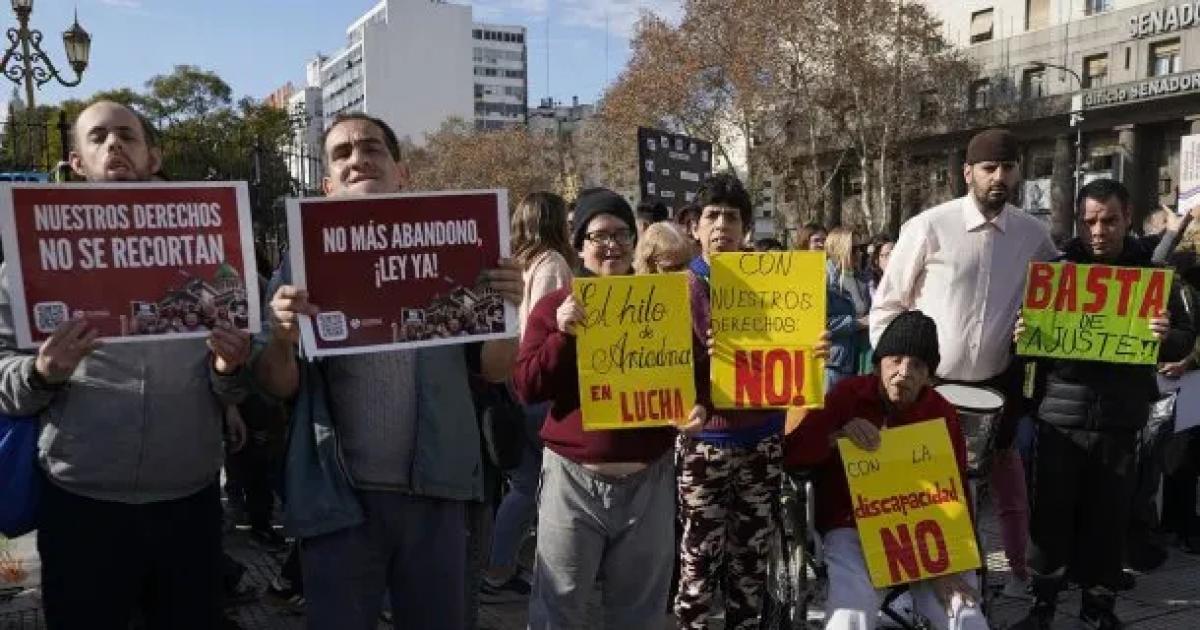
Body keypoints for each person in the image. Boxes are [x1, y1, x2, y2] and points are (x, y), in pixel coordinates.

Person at [244, 112, 524, 630]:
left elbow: (495, 369)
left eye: (371, 148)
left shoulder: (463, 254)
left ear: (402, 172)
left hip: (438, 491)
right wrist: (282, 338)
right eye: (342, 153)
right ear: (326, 185)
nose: (358, 159)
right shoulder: (295, 272)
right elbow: (274, 383)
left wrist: (509, 312)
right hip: (338, 498)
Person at [0, 100, 253, 629]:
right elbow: (5, 379)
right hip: (79, 499)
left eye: (126, 135)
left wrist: (230, 371)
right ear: (75, 161)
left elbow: (240, 388)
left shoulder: (213, 251)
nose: (113, 144)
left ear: (152, 154)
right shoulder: (29, 260)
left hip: (190, 497)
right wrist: (42, 372)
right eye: (98, 137)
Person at [870, 128, 1058, 598]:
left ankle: (1017, 574)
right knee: (925, 491)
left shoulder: (1034, 235)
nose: (999, 177)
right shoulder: (928, 226)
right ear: (967, 173)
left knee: (1010, 488)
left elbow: (1062, 294)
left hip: (999, 388)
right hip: (930, 388)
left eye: (1008, 168)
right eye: (989, 168)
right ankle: (922, 585)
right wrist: (897, 376)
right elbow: (887, 306)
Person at [513, 188, 701, 628]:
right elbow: (526, 387)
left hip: (649, 479)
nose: (611, 244)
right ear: (580, 247)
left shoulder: (664, 304)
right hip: (573, 479)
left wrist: (698, 405)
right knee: (557, 609)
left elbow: (693, 377)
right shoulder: (553, 307)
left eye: (621, 234)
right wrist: (562, 336)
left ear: (635, 245)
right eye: (598, 236)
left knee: (640, 612)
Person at [1014, 179, 1195, 630]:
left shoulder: (1153, 278)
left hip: (1120, 421)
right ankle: (1043, 606)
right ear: (1078, 222)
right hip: (1060, 418)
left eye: (1109, 220)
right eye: (1090, 221)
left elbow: (1184, 343)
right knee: (1051, 520)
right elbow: (1031, 349)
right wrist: (1023, 336)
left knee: (1108, 520)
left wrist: (1164, 337)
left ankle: (1099, 606)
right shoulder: (1057, 271)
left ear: (1127, 217)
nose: (1099, 230)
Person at [677, 173, 829, 629]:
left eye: (732, 216)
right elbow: (662, 373)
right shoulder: (679, 289)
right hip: (705, 444)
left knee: (751, 565)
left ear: (745, 227)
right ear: (695, 227)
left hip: (762, 440)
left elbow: (794, 351)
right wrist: (699, 366)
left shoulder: (776, 283)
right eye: (712, 215)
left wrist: (811, 352)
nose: (722, 224)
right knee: (698, 566)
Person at [786, 310, 988, 630]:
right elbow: (795, 454)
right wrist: (837, 437)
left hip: (926, 531)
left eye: (917, 366)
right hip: (852, 526)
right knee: (850, 613)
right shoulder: (846, 397)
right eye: (895, 360)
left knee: (965, 615)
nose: (904, 372)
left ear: (929, 377)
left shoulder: (941, 413)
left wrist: (947, 565)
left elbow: (957, 488)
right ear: (878, 362)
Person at [481, 191, 575, 602]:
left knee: (522, 480)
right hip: (534, 386)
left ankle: (498, 565)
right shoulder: (553, 264)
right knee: (531, 483)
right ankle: (498, 567)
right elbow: (546, 327)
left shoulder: (518, 262)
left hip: (511, 380)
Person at [825, 227, 872, 390]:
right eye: (854, 249)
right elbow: (820, 323)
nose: (859, 253)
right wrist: (857, 323)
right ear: (839, 249)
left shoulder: (863, 278)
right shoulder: (823, 281)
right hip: (835, 365)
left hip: (861, 361)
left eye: (862, 248)